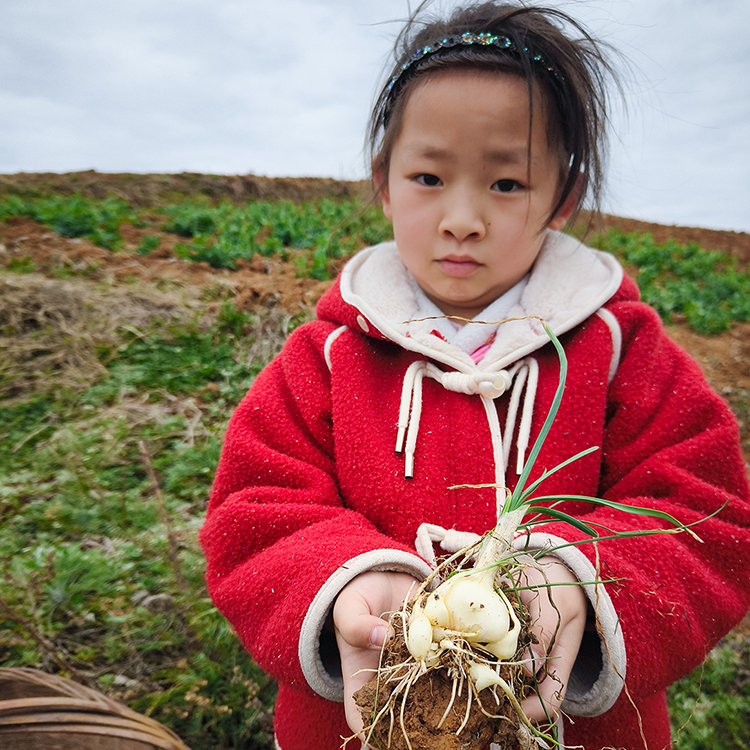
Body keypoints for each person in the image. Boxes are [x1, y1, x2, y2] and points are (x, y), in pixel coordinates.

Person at [199, 3, 750, 749]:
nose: (462, 218)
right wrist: (345, 581)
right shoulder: (325, 358)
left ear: (564, 196)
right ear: (384, 185)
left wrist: (579, 581)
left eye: (506, 184)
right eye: (429, 176)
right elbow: (254, 510)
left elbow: (705, 515)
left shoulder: (624, 351)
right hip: (359, 728)